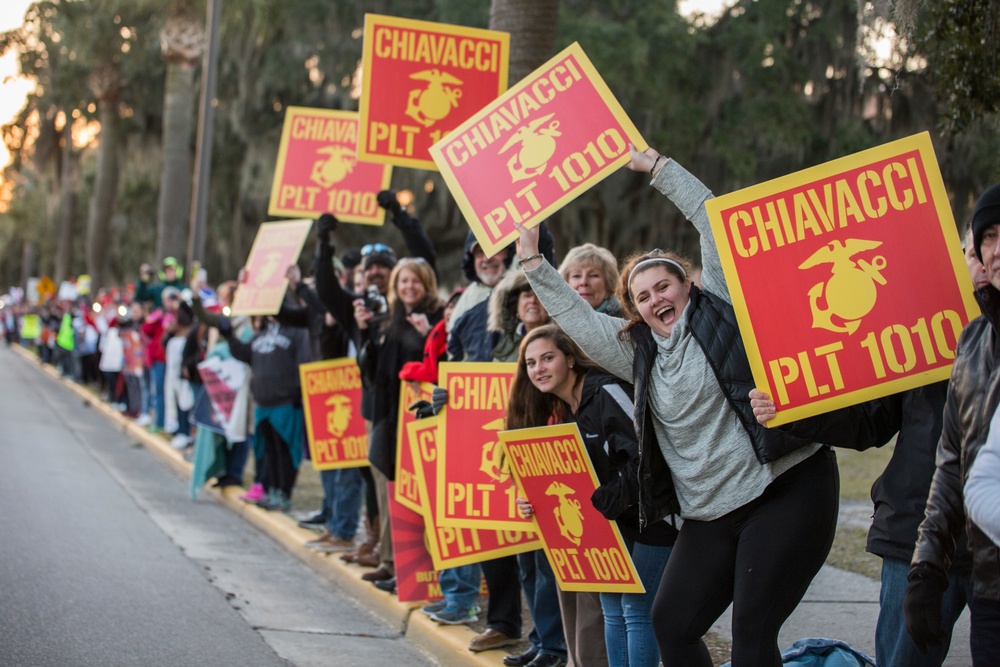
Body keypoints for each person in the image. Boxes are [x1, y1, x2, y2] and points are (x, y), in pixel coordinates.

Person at [517, 145, 897, 666]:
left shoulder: (721, 308)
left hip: (784, 487)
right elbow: (574, 318)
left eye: (663, 285)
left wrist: (656, 167)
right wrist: (533, 260)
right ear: (636, 311)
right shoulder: (637, 354)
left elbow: (712, 219)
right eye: (642, 296)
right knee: (672, 623)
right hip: (709, 513)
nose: (655, 299)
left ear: (687, 286)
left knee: (751, 632)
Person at [510, 325, 676, 667]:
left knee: (635, 609)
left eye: (547, 358)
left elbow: (646, 453)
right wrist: (535, 501)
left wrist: (603, 501)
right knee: (612, 605)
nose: (538, 368)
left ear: (570, 359)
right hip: (619, 523)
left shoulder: (605, 391)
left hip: (655, 515)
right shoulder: (570, 406)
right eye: (531, 362)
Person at [867, 225, 985, 667]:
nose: (984, 262)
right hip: (916, 533)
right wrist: (792, 407)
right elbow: (870, 421)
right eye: (973, 252)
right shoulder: (918, 325)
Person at [906, 182, 1000, 666]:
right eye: (988, 238)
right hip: (991, 586)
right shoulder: (974, 342)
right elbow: (951, 467)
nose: (995, 251)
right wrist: (926, 566)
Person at [353, 255, 443, 588]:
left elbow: (438, 364)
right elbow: (371, 370)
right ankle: (389, 560)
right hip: (386, 414)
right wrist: (365, 333)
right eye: (403, 281)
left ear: (426, 284)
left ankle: (411, 568)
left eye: (415, 281)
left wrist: (425, 336)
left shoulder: (434, 316)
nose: (409, 287)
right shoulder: (387, 318)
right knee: (386, 484)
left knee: (413, 490)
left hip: (419, 418)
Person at [558, 243, 622, 316]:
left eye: (593, 275)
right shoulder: (555, 319)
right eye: (576, 276)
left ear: (608, 285)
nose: (583, 282)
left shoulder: (627, 323)